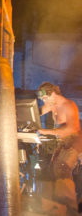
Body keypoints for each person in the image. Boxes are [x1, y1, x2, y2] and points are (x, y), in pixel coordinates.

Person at [36, 82, 82, 214]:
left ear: (53, 94)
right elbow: (37, 112)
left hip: (74, 140)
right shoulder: (52, 104)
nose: (45, 102)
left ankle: (70, 209)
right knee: (52, 169)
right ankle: (56, 208)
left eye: (45, 98)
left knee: (62, 168)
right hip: (62, 141)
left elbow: (72, 129)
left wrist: (46, 132)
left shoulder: (68, 105)